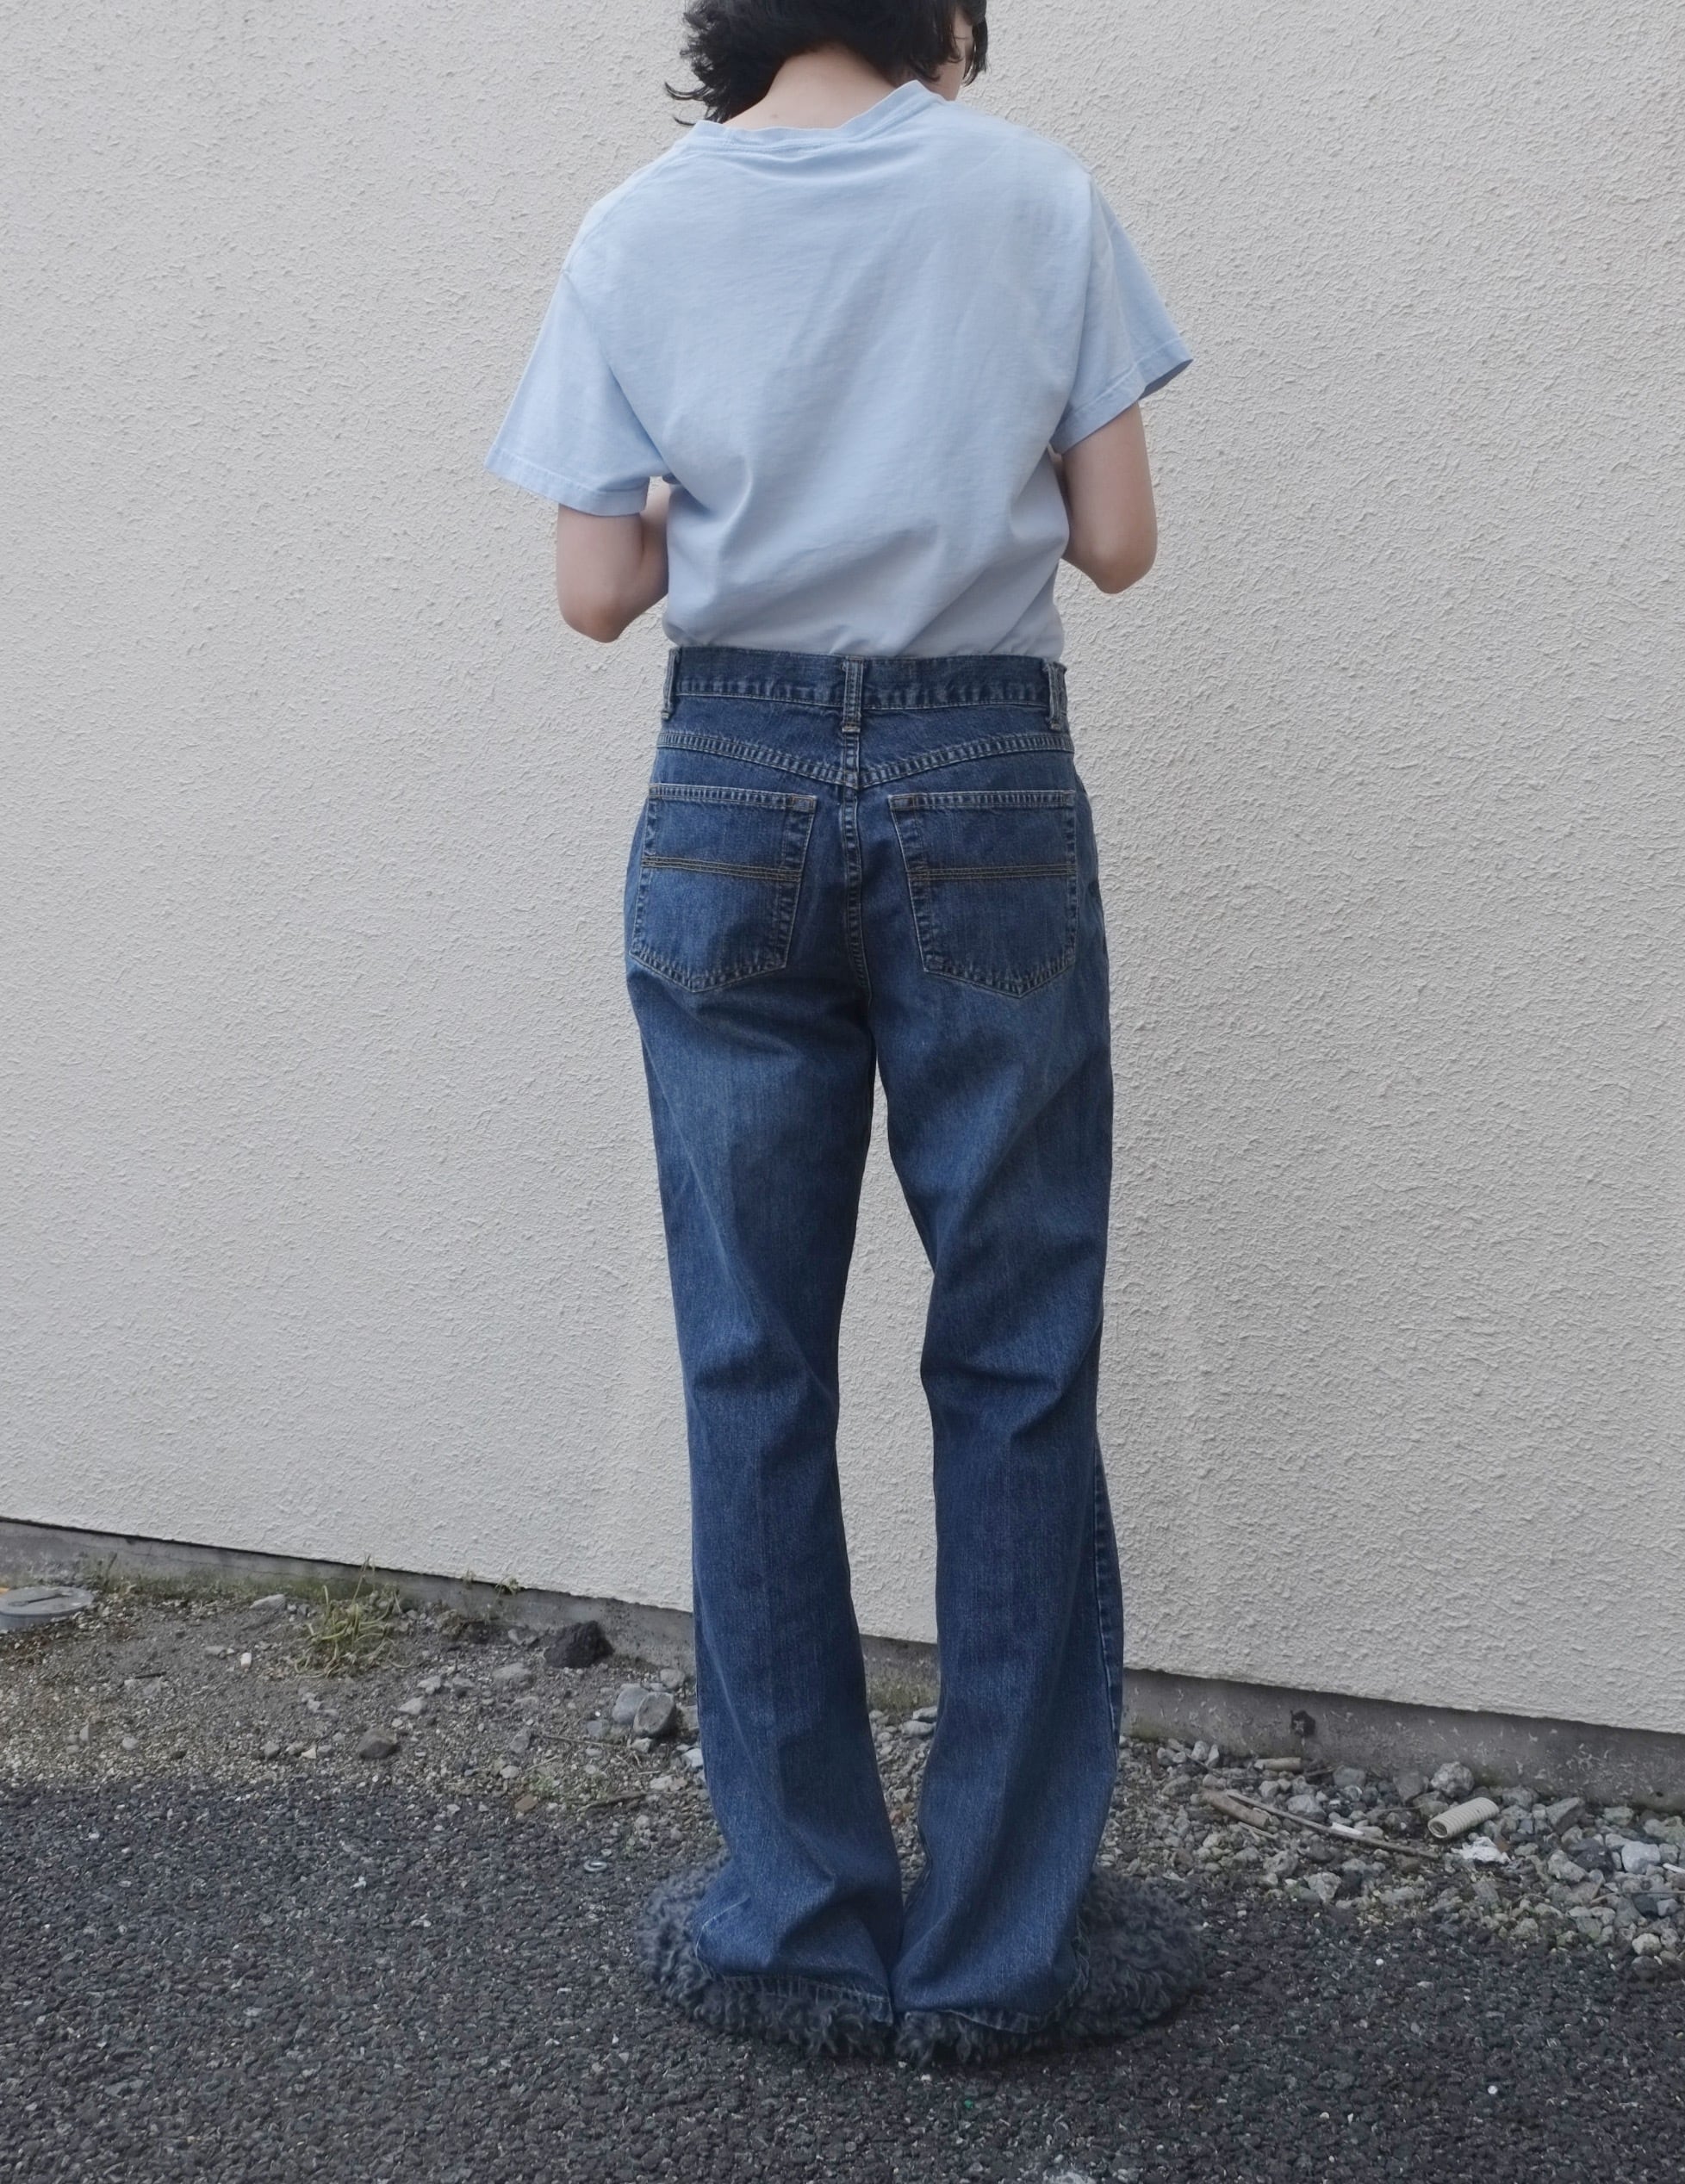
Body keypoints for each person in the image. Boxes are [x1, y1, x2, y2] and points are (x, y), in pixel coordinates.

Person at [483, 0, 1203, 2065]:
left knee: (750, 1356)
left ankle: (796, 1924)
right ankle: (998, 1949)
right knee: (1015, 1353)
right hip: (985, 773)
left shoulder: (639, 223)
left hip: (732, 779)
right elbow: (1121, 542)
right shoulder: (1035, 195)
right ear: (937, 14)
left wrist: (763, 491)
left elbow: (593, 587)